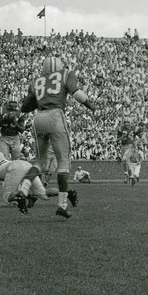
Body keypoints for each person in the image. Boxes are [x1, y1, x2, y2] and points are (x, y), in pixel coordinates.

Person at [20, 55, 97, 219]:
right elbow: (77, 94)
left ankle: (24, 189)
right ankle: (62, 205)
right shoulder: (66, 74)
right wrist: (91, 106)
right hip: (55, 115)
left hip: (38, 118)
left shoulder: (37, 80)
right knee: (63, 161)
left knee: (39, 161)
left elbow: (26, 106)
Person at [0, 152, 77, 214]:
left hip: (15, 167)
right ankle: (68, 193)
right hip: (27, 164)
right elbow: (16, 182)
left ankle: (22, 200)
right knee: (42, 194)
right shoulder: (5, 161)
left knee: (7, 196)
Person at [117, 118, 140, 184]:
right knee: (126, 162)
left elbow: (141, 135)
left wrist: (136, 142)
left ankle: (126, 175)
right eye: (125, 122)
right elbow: (117, 139)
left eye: (128, 122)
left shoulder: (134, 128)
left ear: (130, 123)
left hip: (130, 146)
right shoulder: (120, 129)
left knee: (125, 159)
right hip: (123, 146)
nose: (126, 124)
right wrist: (122, 137)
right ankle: (131, 177)